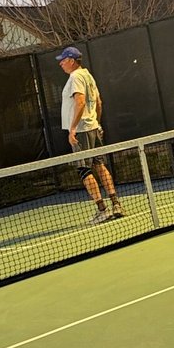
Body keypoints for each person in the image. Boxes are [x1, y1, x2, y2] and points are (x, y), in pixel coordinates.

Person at [56, 46, 125, 225]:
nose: (61, 63)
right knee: (99, 165)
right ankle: (116, 205)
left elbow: (79, 101)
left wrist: (72, 129)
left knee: (84, 170)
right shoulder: (88, 75)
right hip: (93, 127)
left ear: (71, 60)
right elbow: (99, 102)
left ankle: (103, 210)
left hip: (81, 130)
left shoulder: (75, 77)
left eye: (63, 60)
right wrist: (97, 122)